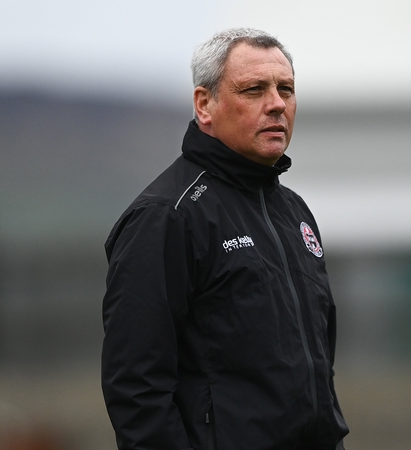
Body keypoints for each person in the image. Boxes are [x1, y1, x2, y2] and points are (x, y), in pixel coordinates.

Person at [101, 28, 349, 450]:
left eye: (286, 89)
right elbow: (136, 388)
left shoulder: (294, 212)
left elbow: (316, 369)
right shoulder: (167, 217)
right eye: (254, 90)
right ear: (205, 105)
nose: (277, 104)